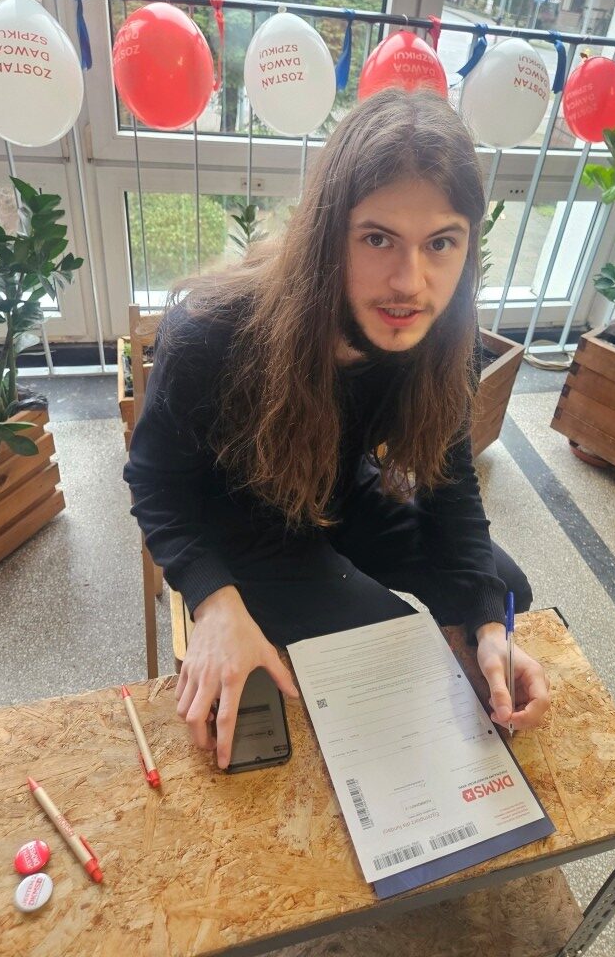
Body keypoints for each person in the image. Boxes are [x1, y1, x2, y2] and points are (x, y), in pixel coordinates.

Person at [124, 88, 550, 770]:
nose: (410, 283)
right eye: (378, 239)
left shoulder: (442, 337)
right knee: (394, 652)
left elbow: (449, 479)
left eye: (441, 242)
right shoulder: (211, 334)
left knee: (500, 592)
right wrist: (213, 600)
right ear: (329, 233)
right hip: (243, 528)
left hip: (342, 494)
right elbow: (156, 482)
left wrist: (486, 624)